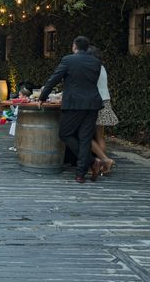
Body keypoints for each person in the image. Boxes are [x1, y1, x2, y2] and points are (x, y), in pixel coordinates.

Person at [40, 36, 103, 184]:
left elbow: (54, 79)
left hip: (74, 103)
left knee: (65, 133)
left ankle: (92, 162)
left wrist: (42, 96)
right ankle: (80, 174)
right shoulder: (96, 62)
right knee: (85, 138)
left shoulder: (68, 60)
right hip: (93, 103)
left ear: (74, 46)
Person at [88, 45, 118, 175]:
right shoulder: (101, 66)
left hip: (95, 103)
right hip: (105, 101)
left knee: (84, 135)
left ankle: (104, 160)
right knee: (99, 136)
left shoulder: (91, 67)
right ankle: (102, 165)